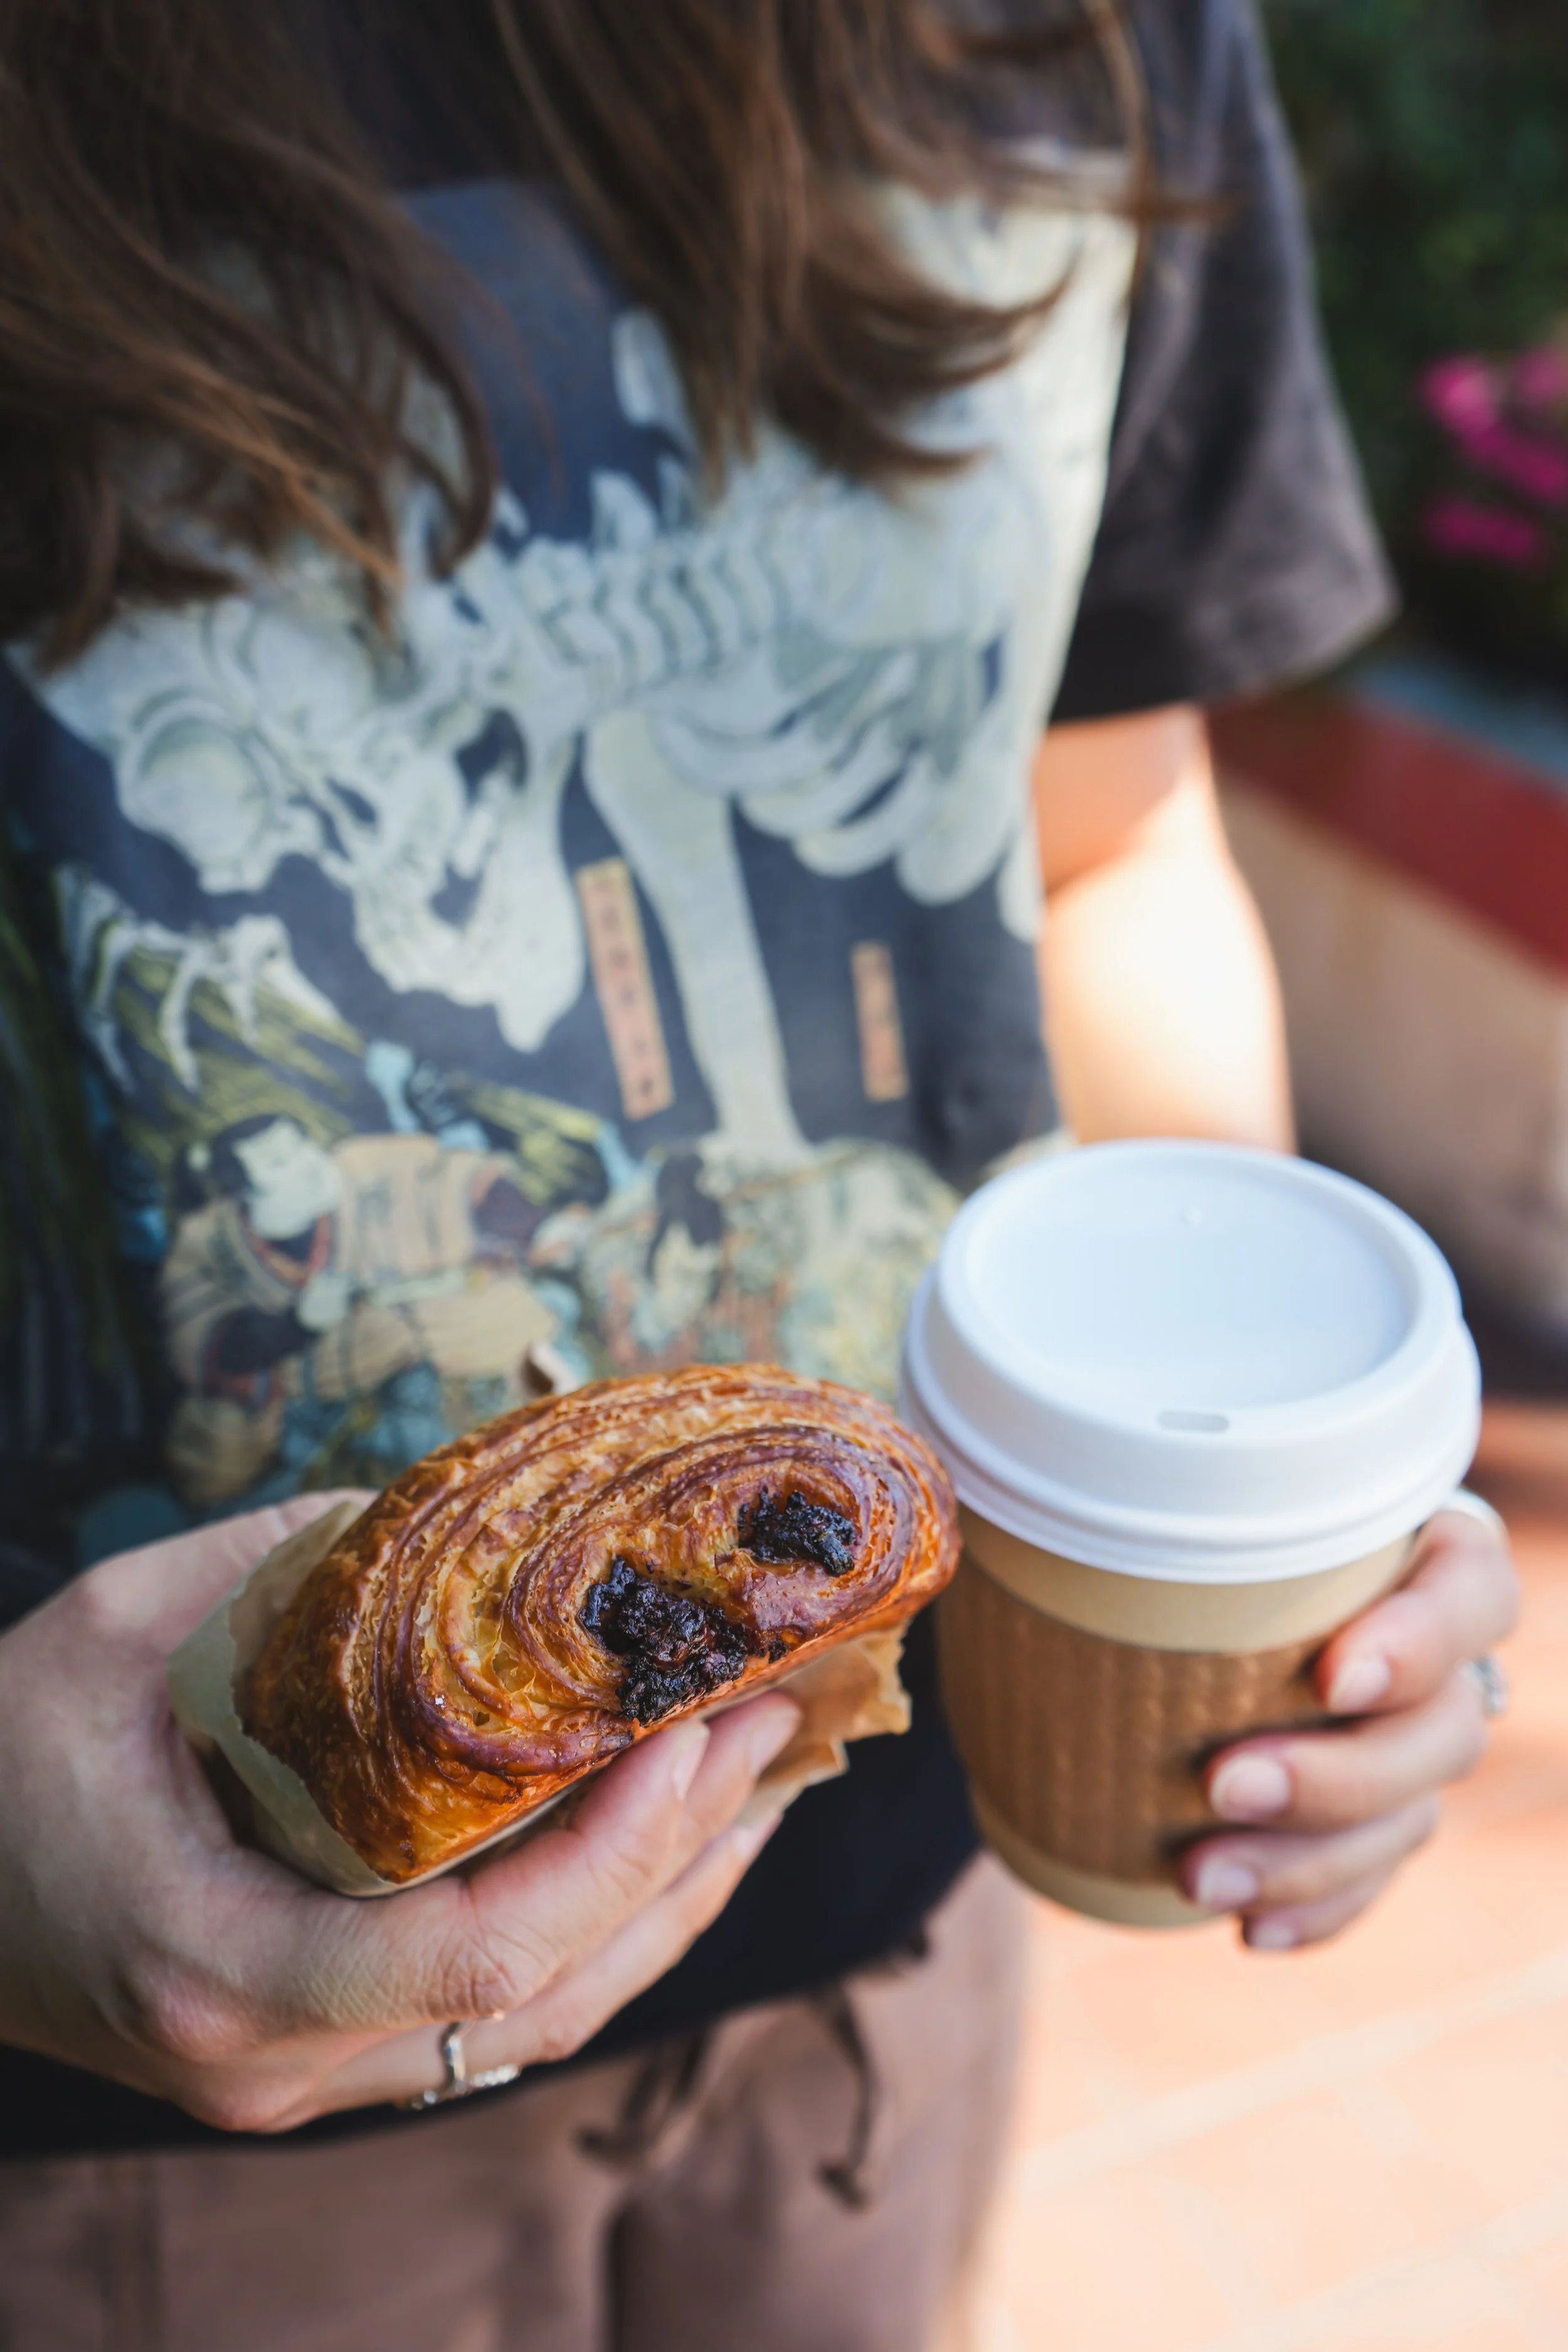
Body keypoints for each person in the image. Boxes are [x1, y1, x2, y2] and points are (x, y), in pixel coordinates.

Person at [0, 3, 1519, 2346]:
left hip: (882, 1924)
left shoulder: (1083, 35)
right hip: (147, 2103)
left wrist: (1256, 1508)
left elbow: (1099, 840)